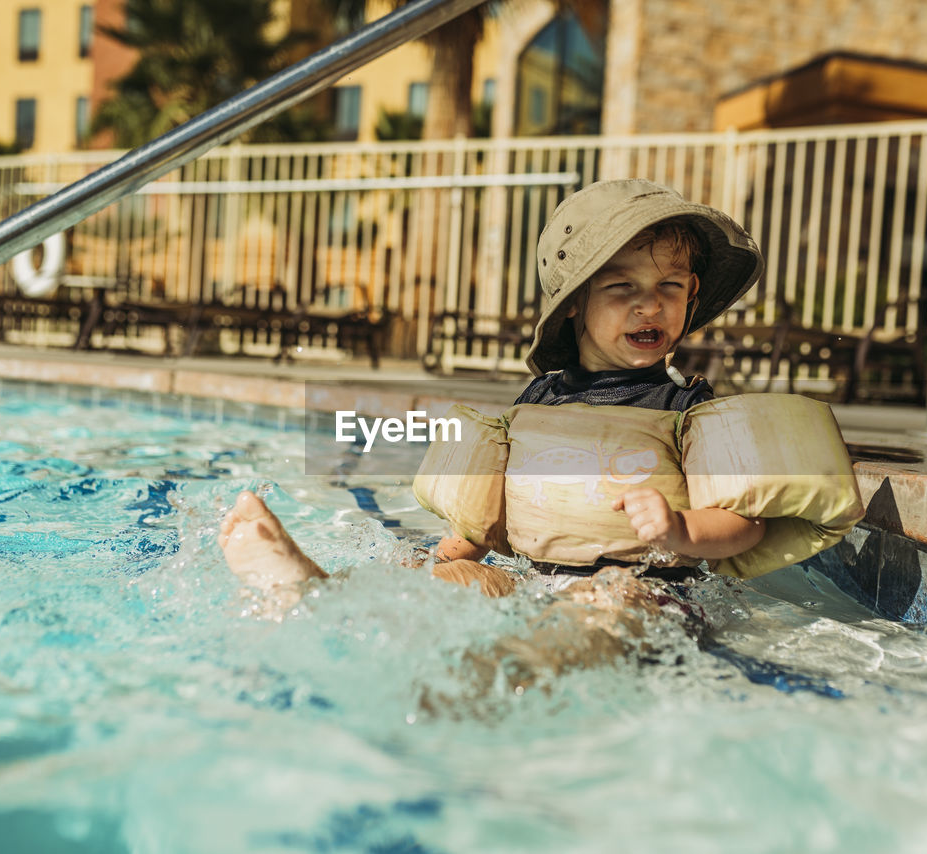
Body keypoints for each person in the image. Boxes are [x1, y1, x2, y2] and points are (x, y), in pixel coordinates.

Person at [221, 179, 852, 688]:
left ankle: (503, 673)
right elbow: (482, 527)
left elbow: (747, 524)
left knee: (605, 608)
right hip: (531, 579)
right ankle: (322, 594)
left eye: (669, 289)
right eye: (622, 288)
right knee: (455, 585)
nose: (648, 306)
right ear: (575, 302)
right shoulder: (533, 404)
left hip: (647, 594)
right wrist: (435, 562)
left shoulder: (689, 408)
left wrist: (680, 530)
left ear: (690, 300)